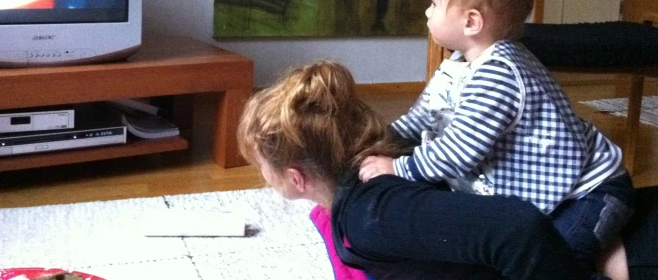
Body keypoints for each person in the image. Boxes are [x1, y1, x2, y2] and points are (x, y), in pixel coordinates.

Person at [358, 0, 634, 278]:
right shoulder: (458, 64)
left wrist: (400, 168)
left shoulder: (499, 74)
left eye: (434, 3)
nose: (427, 12)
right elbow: (422, 117)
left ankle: (613, 246)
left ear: (471, 21)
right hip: (558, 191)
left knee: (549, 264)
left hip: (588, 192)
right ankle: (608, 247)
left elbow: (457, 153)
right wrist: (381, 141)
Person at [238, 59, 606, 280]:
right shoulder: (347, 205)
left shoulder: (377, 214)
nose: (261, 174)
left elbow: (517, 228)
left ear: (295, 177)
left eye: (261, 165)